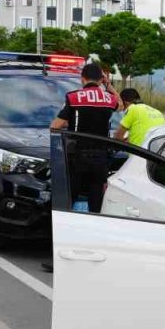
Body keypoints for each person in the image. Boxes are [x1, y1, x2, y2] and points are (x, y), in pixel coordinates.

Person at [42, 62, 120, 273]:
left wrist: (68, 125)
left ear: (83, 78)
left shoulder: (74, 97)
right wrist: (109, 85)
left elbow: (55, 126)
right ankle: (95, 253)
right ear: (101, 79)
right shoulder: (109, 99)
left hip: (77, 159)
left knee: (68, 206)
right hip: (101, 159)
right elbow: (120, 104)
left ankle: (60, 256)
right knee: (96, 207)